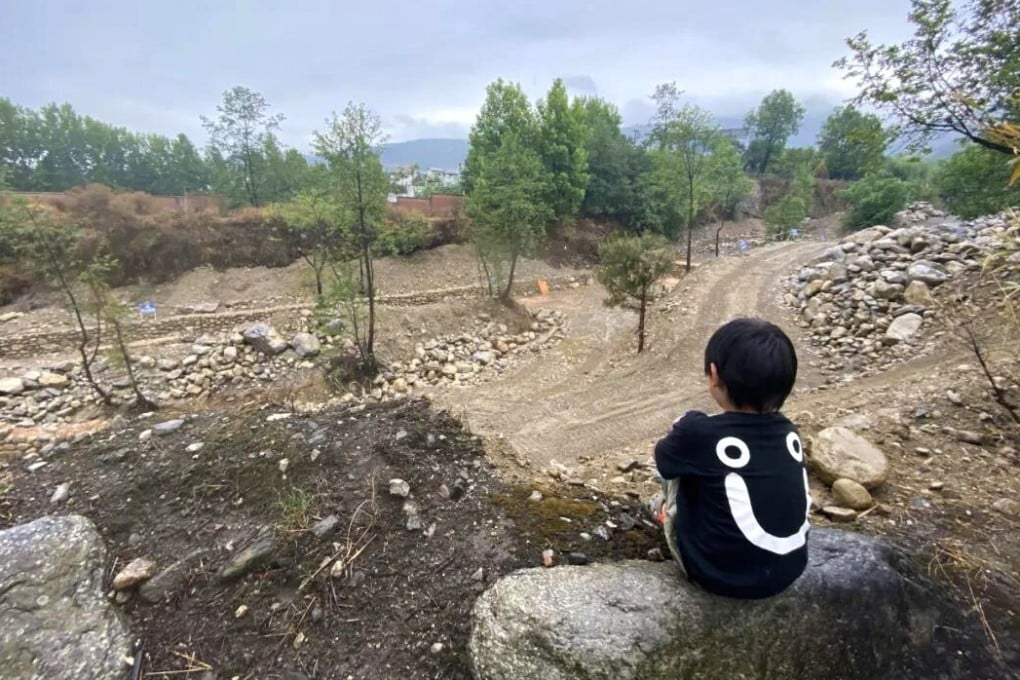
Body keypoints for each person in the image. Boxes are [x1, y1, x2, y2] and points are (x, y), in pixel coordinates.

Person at [651, 317, 811, 599]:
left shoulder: (698, 431)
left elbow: (663, 462)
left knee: (682, 461)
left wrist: (687, 422)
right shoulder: (789, 431)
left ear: (714, 374)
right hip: (789, 571)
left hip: (717, 575)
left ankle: (664, 510)